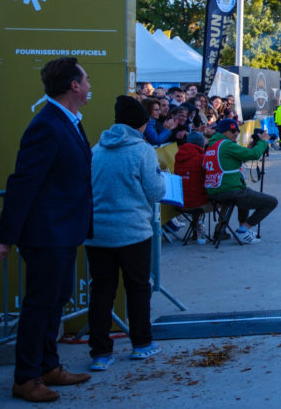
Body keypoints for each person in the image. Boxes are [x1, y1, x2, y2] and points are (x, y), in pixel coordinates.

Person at [0, 57, 93, 402]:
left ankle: (49, 366)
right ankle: (25, 378)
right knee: (40, 307)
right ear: (73, 86)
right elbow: (23, 183)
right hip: (46, 233)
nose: (89, 84)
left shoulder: (68, 121)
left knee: (56, 302)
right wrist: (5, 237)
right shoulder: (47, 125)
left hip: (64, 231)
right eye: (86, 79)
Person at [85, 96, 166, 372]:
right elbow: (156, 192)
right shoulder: (142, 151)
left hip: (97, 233)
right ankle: (142, 344)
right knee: (138, 288)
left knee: (101, 290)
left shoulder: (97, 149)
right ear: (141, 125)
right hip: (133, 232)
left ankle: (99, 353)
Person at [203, 119, 275, 244]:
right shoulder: (226, 144)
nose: (236, 133)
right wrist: (263, 141)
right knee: (271, 202)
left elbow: (229, 161)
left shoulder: (213, 144)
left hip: (215, 189)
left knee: (245, 194)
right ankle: (243, 230)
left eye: (237, 130)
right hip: (229, 190)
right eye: (232, 131)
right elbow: (254, 155)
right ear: (223, 132)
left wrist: (248, 149)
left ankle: (242, 228)